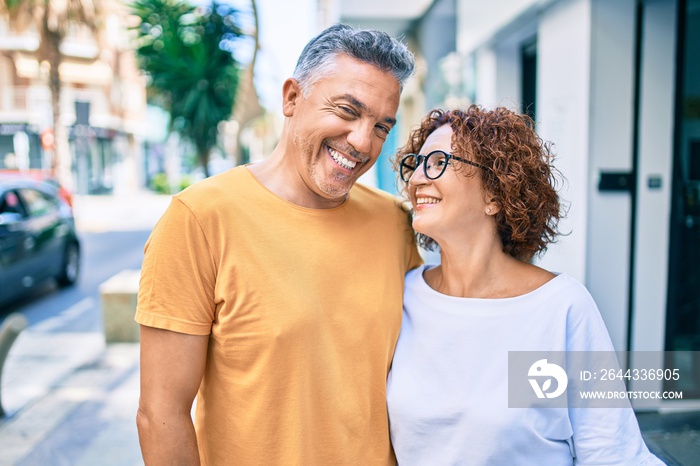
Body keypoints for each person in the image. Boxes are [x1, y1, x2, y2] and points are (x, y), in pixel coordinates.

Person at [135, 24, 421, 465]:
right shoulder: (200, 219)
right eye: (347, 110)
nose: (364, 143)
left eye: (382, 126)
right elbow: (161, 414)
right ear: (291, 98)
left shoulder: (394, 223)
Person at [386, 106, 664, 465]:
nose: (417, 179)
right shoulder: (404, 295)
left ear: (494, 195)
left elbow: (611, 453)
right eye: (415, 163)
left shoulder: (559, 307)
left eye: (438, 161)